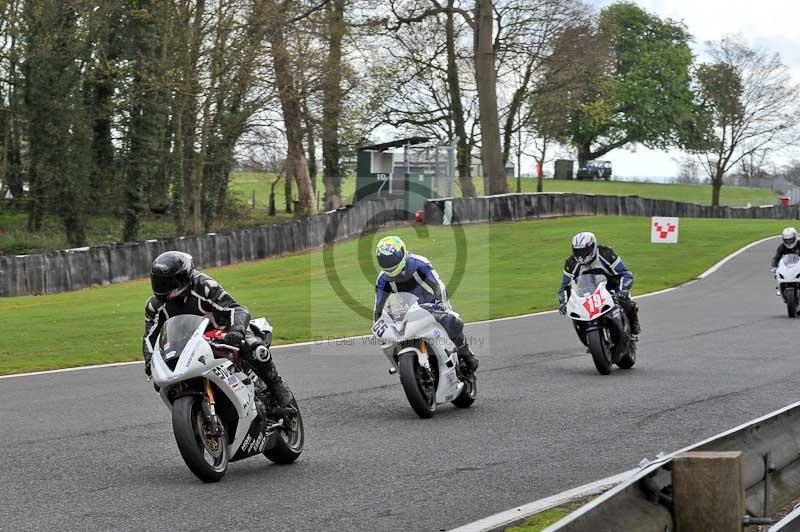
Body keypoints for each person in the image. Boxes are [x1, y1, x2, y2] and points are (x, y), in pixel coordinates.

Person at [142, 251, 292, 407]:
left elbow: (236, 309)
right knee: (161, 381)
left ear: (184, 277)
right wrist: (149, 361)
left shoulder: (204, 286)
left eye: (169, 283)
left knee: (253, 347)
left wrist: (237, 330)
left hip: (223, 332)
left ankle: (277, 385)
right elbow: (150, 337)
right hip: (188, 345)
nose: (164, 288)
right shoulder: (155, 305)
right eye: (159, 283)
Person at [373, 236, 479, 374]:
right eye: (385, 260)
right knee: (390, 338)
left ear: (403, 252)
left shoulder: (419, 263)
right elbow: (378, 306)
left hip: (433, 304)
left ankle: (465, 352)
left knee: (452, 322)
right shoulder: (382, 279)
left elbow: (438, 285)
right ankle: (401, 367)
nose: (389, 263)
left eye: (392, 259)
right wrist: (377, 323)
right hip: (407, 310)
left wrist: (442, 305)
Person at [557, 232, 641, 336]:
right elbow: (565, 286)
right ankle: (588, 338)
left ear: (593, 246)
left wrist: (623, 289)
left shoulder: (606, 254)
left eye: (584, 251)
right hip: (586, 292)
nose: (581, 255)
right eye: (578, 251)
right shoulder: (571, 263)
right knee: (576, 316)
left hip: (610, 288)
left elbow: (625, 273)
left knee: (626, 303)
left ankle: (633, 323)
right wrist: (563, 303)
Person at [771, 227, 800, 295]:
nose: (789, 242)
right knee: (777, 273)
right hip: (788, 265)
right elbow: (776, 257)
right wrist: (774, 266)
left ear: (795, 237)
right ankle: (780, 287)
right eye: (787, 240)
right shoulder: (782, 246)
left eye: (791, 240)